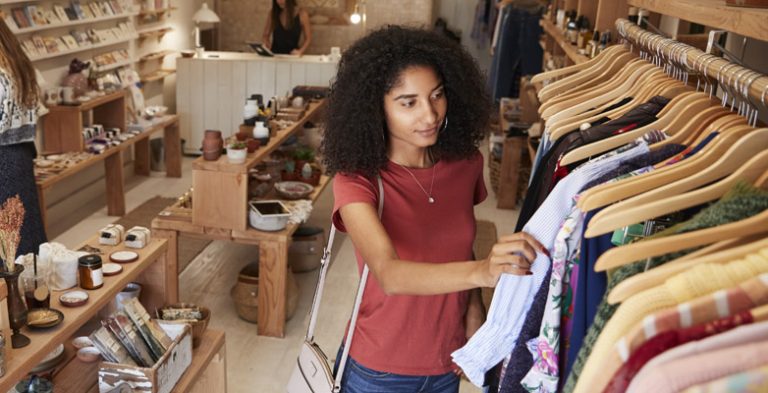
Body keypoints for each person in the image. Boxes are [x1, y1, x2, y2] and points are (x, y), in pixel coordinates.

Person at [321, 25, 546, 392]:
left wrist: (474, 312)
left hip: (447, 362)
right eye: (408, 102)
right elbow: (389, 275)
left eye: (437, 96)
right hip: (378, 370)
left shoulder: (465, 164)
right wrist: (482, 272)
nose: (429, 115)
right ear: (374, 107)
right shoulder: (357, 181)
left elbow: (458, 244)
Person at [0, 20, 47, 257]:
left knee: (7, 239)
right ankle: (31, 290)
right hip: (21, 156)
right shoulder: (20, 66)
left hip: (3, 161)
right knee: (24, 230)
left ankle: (9, 292)